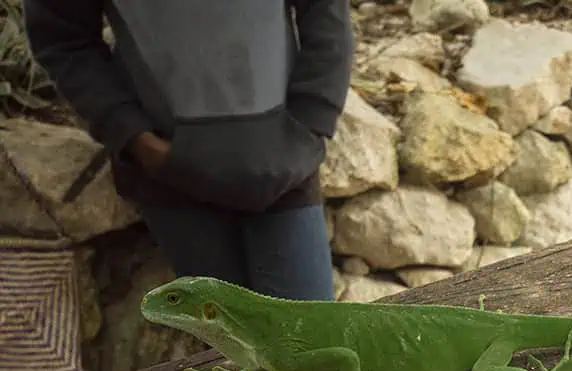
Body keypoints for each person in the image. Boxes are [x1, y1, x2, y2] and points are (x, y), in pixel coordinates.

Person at [24, 0, 353, 301]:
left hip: (282, 166)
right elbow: (63, 40)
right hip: (174, 177)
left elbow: (325, 12)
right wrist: (138, 140)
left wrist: (312, 118)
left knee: (311, 346)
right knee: (226, 348)